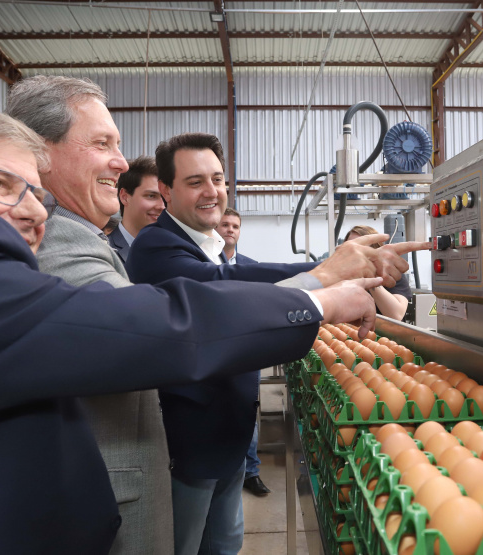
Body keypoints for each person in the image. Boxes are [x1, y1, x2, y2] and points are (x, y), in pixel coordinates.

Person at [0, 93, 380, 555]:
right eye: (0, 183)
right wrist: (318, 299)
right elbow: (153, 327)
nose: (35, 211)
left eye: (35, 192)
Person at [127, 133, 430, 555]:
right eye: (195, 181)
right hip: (190, 448)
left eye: (217, 178)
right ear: (166, 189)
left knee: (223, 546)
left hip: (227, 442)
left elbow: (243, 287)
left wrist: (334, 271)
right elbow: (223, 294)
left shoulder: (207, 245)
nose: (212, 191)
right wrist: (326, 272)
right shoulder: (155, 246)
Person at [6, 75, 169, 555]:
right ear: (40, 152)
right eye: (102, 143)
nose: (121, 161)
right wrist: (313, 297)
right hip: (102, 508)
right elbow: (149, 334)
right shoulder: (53, 238)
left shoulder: (85, 233)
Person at [216, 207, 268, 496]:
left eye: (235, 225)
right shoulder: (205, 262)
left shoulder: (250, 266)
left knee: (246, 410)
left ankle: (251, 472)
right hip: (215, 351)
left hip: (246, 350)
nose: (230, 230)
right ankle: (222, 472)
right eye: (225, 224)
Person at [344, 225, 413, 320]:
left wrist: (371, 279)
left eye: (361, 248)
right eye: (350, 248)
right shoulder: (343, 277)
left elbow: (396, 315)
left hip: (385, 333)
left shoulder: (392, 273)